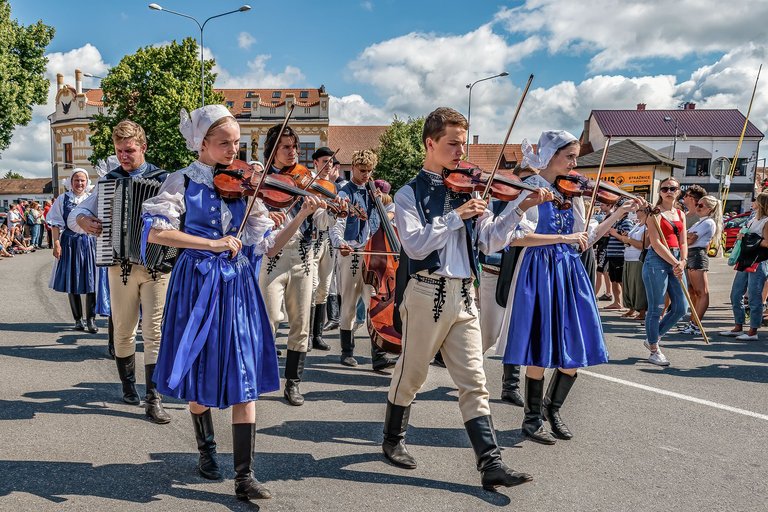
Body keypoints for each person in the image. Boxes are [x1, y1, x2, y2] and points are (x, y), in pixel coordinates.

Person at [143, 105, 321, 501]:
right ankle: (207, 450)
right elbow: (157, 233)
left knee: (244, 378)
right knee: (198, 373)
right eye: (224, 143)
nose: (233, 151)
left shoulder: (247, 185)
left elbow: (268, 244)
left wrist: (299, 213)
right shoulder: (181, 181)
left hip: (238, 285)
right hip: (196, 283)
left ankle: (245, 476)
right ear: (202, 143)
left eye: (237, 143)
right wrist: (211, 243)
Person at [383, 107, 550, 490]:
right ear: (430, 143)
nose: (461, 152)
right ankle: (393, 439)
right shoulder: (409, 192)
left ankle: (491, 464)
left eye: (463, 143)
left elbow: (489, 241)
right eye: (452, 144)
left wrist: (517, 207)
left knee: (475, 381)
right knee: (412, 375)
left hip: (464, 295)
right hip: (426, 292)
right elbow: (415, 243)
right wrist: (456, 215)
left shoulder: (471, 188)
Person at [495, 131, 639, 445]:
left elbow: (585, 238)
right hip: (538, 269)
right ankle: (531, 420)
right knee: (539, 348)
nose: (575, 164)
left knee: (576, 345)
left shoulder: (574, 192)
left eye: (575, 157)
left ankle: (552, 408)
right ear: (550, 156)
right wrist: (563, 239)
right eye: (569, 156)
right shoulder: (530, 188)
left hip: (569, 270)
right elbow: (516, 237)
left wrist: (618, 212)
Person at [70, 120, 171, 424]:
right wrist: (84, 221)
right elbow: (78, 212)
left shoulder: (165, 180)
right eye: (119, 151)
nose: (124, 156)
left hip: (156, 266)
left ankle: (154, 398)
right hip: (120, 266)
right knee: (124, 329)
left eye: (129, 150)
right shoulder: (107, 182)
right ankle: (129, 386)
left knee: (154, 332)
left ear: (143, 148)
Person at [258, 124, 332, 406]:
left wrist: (325, 208)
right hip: (273, 257)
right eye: (286, 148)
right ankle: (261, 373)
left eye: (295, 148)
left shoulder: (307, 180)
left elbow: (324, 218)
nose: (293, 153)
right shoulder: (262, 178)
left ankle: (293, 383)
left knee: (301, 324)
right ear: (273, 150)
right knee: (270, 318)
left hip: (303, 257)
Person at [331, 149, 397, 370]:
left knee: (373, 303)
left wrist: (380, 203)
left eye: (369, 171)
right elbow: (337, 224)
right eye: (362, 171)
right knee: (349, 301)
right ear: (354, 168)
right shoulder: (344, 193)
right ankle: (346, 351)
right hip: (352, 251)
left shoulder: (373, 192)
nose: (366, 175)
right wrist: (340, 242)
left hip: (373, 253)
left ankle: (378, 354)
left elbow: (386, 216)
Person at [641, 177, 688, 366]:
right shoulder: (654, 213)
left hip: (677, 259)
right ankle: (654, 350)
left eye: (673, 188)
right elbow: (656, 243)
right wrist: (676, 261)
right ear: (660, 192)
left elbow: (683, 241)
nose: (669, 191)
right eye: (665, 188)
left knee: (681, 307)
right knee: (656, 308)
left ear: (678, 191)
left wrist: (683, 261)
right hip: (657, 260)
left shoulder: (680, 213)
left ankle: (654, 336)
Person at [47, 169, 98, 333]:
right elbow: (55, 223)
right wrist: (56, 243)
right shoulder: (63, 199)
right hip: (70, 242)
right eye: (76, 180)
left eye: (82, 180)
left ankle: (91, 320)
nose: (79, 183)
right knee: (73, 280)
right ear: (71, 182)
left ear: (87, 181)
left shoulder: (92, 199)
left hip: (90, 242)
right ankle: (78, 320)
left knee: (92, 281)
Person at [720, 192, 768, 341]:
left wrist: (747, 238)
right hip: (745, 259)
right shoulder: (753, 218)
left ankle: (753, 330)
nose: (752, 202)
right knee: (736, 293)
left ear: (761, 203)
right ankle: (738, 325)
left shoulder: (766, 221)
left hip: (758, 260)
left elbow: (767, 242)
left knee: (754, 296)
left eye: (755, 200)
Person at [307, 146, 338, 352]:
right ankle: (307, 334)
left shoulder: (331, 187)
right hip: (312, 240)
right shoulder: (309, 183)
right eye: (324, 161)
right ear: (315, 163)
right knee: (312, 286)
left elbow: (329, 221)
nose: (328, 166)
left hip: (327, 240)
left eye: (331, 162)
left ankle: (318, 335)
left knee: (324, 289)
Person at [682, 195, 722, 335]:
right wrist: (686, 236)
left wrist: (686, 236)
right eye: (698, 204)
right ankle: (693, 322)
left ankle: (696, 324)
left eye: (701, 205)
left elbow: (690, 239)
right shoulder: (699, 222)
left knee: (701, 292)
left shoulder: (708, 222)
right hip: (692, 254)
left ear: (710, 209)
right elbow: (685, 237)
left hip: (697, 255)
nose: (698, 207)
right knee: (693, 291)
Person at [613, 208, 648, 320]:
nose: (636, 212)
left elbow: (643, 245)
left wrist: (626, 239)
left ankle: (642, 311)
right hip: (628, 257)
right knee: (629, 285)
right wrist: (627, 237)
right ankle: (632, 308)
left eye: (638, 210)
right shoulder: (637, 225)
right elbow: (630, 239)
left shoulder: (647, 226)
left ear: (645, 212)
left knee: (638, 286)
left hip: (638, 259)